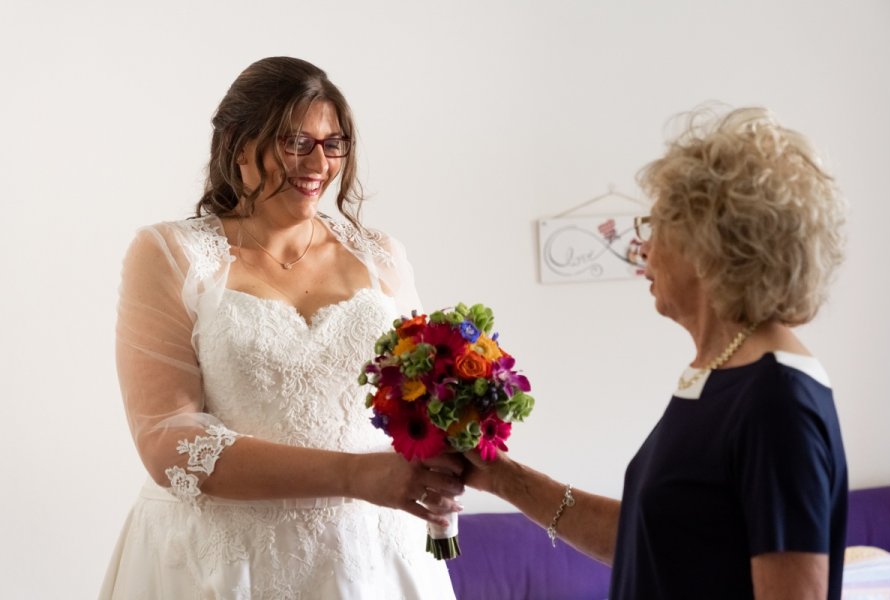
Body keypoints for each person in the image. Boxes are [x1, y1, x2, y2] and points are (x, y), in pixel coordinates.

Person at [100, 57, 463, 599]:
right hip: (222, 563)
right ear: (240, 147)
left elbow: (419, 396)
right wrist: (354, 475)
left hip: (368, 556)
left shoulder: (381, 256)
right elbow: (166, 441)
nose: (319, 162)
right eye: (296, 142)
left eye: (333, 143)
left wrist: (451, 439)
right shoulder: (170, 254)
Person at [464, 107, 848, 599]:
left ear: (708, 242)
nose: (643, 248)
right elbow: (658, 541)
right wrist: (500, 477)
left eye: (655, 223)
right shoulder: (722, 376)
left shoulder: (778, 402)